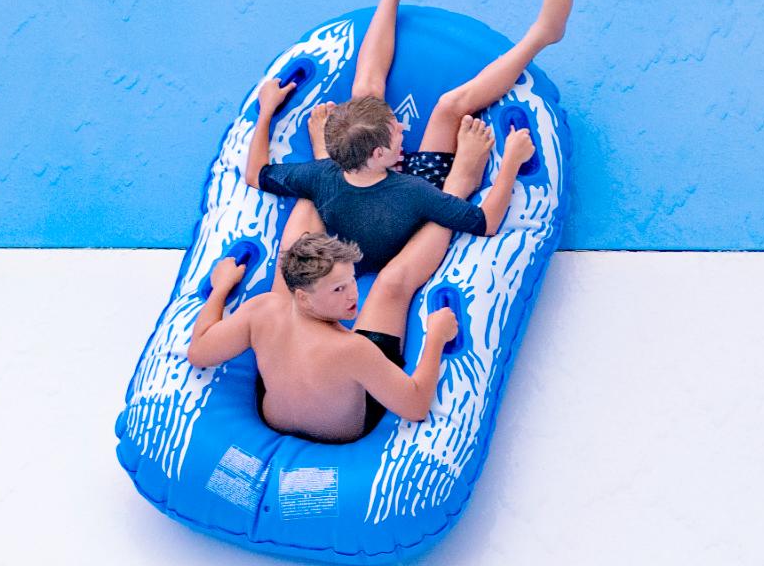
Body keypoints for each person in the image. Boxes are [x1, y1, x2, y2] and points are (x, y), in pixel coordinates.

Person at [189, 120, 536, 443]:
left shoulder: (260, 310)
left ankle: (325, 168)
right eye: (339, 289)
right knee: (392, 283)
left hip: (275, 414)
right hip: (346, 429)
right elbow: (415, 406)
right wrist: (436, 338)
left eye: (350, 281)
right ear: (304, 297)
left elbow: (199, 351)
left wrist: (220, 290)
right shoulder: (354, 350)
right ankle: (458, 185)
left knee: (299, 236)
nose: (354, 295)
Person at [244, 0, 574, 276]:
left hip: (363, 190)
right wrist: (511, 163)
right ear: (378, 153)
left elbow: (255, 174)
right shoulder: (413, 192)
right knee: (449, 107)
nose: (403, 127)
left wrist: (267, 110)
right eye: (396, 131)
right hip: (401, 231)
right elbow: (486, 222)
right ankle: (541, 36)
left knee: (366, 90)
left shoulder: (319, 174)